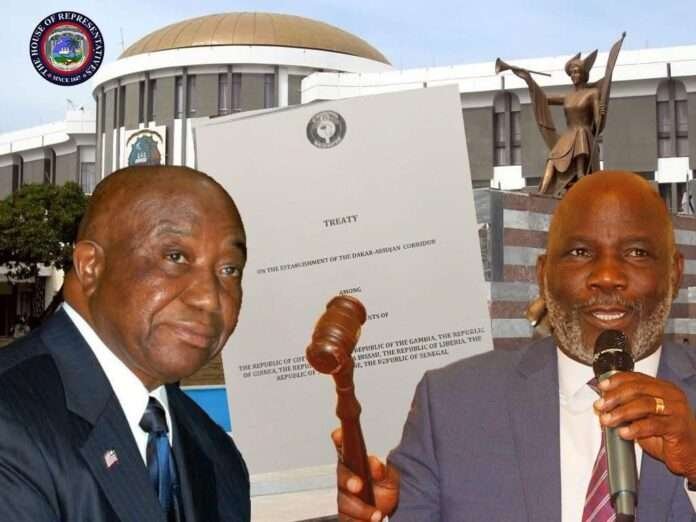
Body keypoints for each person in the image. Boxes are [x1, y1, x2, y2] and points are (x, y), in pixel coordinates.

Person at [337, 170, 696, 521]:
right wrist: (376, 516)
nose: (606, 277)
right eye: (580, 252)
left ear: (674, 274)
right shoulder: (451, 405)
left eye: (636, 253)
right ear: (543, 275)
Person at [0, 166, 250, 521]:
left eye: (229, 269)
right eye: (176, 257)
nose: (209, 298)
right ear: (91, 266)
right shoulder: (10, 423)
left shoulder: (217, 454)